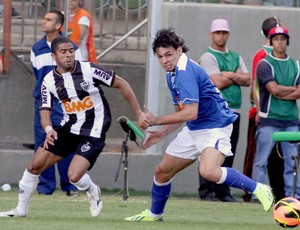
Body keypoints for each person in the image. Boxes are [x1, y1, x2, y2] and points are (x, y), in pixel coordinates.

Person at [125, 28, 274, 222]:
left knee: (208, 171)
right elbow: (181, 113)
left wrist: (155, 120)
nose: (164, 60)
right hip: (195, 127)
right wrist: (161, 133)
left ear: (179, 50)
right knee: (162, 171)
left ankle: (259, 188)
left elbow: (191, 112)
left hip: (216, 126)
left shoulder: (185, 71)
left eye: (168, 54)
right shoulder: (172, 74)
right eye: (160, 56)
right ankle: (155, 214)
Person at [0, 36, 148, 218]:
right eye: (63, 52)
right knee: (34, 166)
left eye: (71, 51)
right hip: (68, 127)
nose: (68, 55)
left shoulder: (89, 69)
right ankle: (20, 210)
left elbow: (122, 83)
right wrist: (49, 130)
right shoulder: (49, 81)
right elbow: (44, 112)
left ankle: (93, 190)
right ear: (54, 56)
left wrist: (139, 113)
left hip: (94, 128)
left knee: (74, 176)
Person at [30, 9, 83, 196]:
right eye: (43, 18)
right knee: (42, 142)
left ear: (59, 26)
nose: (43, 22)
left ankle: (70, 186)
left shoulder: (73, 48)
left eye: (48, 19)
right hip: (42, 103)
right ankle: (45, 188)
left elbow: (78, 73)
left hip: (64, 102)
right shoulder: (36, 49)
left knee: (65, 142)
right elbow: (37, 75)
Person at [198, 19, 251, 202]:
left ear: (228, 34)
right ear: (211, 34)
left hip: (234, 110)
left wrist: (226, 74)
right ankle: (207, 191)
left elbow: (248, 80)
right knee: (209, 150)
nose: (221, 36)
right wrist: (235, 75)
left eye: (224, 32)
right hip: (214, 111)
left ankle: (223, 192)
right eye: (217, 32)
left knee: (228, 153)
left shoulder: (235, 56)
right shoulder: (208, 56)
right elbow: (217, 82)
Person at [252, 26, 300, 199]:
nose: (280, 42)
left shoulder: (295, 64)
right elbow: (273, 90)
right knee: (261, 162)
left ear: (287, 41)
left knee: (292, 162)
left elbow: (299, 92)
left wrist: (283, 91)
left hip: (292, 120)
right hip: (269, 119)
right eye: (276, 39)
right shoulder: (265, 63)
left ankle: (293, 197)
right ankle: (258, 196)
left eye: (283, 38)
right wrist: (290, 90)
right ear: (271, 41)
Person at [242, 17, 285, 203]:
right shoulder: (262, 54)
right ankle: (250, 192)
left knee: (277, 158)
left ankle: (279, 194)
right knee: (255, 156)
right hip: (263, 114)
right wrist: (258, 109)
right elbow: (255, 84)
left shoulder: (281, 55)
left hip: (279, 115)